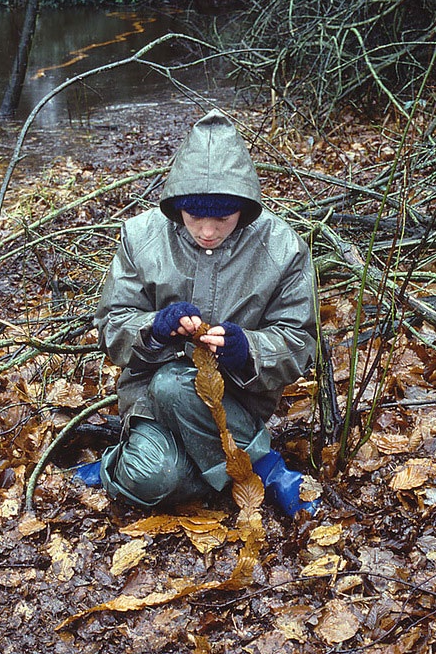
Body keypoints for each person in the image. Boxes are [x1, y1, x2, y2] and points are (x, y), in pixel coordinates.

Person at [78, 109, 319, 517]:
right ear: (177, 208)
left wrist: (249, 350)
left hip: (238, 403)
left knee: (176, 386)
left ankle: (257, 468)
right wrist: (154, 329)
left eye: (222, 218)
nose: (207, 232)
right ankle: (241, 469)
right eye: (194, 218)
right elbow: (112, 323)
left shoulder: (282, 247)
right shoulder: (141, 237)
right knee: (154, 476)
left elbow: (300, 341)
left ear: (245, 208)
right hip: (151, 402)